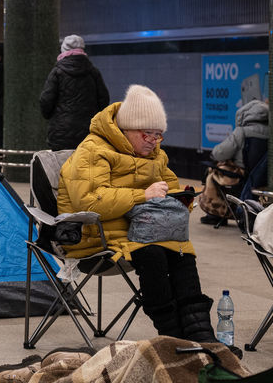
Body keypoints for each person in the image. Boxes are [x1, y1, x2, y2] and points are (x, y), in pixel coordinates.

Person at [58, 85, 226, 349]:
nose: (153, 141)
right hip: (96, 236)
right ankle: (172, 339)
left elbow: (170, 187)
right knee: (153, 254)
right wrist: (143, 195)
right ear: (127, 129)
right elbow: (88, 201)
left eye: (158, 135)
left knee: (182, 252)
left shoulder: (155, 155)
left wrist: (181, 200)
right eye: (147, 134)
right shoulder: (93, 150)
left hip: (143, 230)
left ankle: (202, 336)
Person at [198, 99, 269, 226]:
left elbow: (220, 153)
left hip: (240, 174)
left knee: (213, 173)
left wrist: (214, 155)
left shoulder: (242, 131)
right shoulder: (272, 133)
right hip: (262, 177)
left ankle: (216, 213)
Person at [39, 34, 110, 151]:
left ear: (63, 50)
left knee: (61, 162)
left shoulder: (57, 72)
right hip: (88, 133)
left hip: (61, 134)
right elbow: (104, 100)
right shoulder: (93, 72)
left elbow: (46, 100)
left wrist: (51, 117)